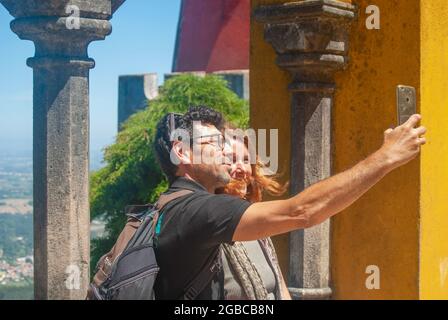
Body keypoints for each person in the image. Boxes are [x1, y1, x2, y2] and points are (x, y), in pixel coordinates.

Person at [153, 105, 426, 300]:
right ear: (181, 152)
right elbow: (302, 211)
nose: (225, 151)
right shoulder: (197, 210)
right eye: (214, 142)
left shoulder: (181, 206)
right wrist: (386, 157)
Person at [216, 132, 292, 300]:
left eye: (245, 160)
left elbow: (280, 285)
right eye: (232, 159)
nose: (242, 169)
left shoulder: (257, 224)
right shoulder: (210, 227)